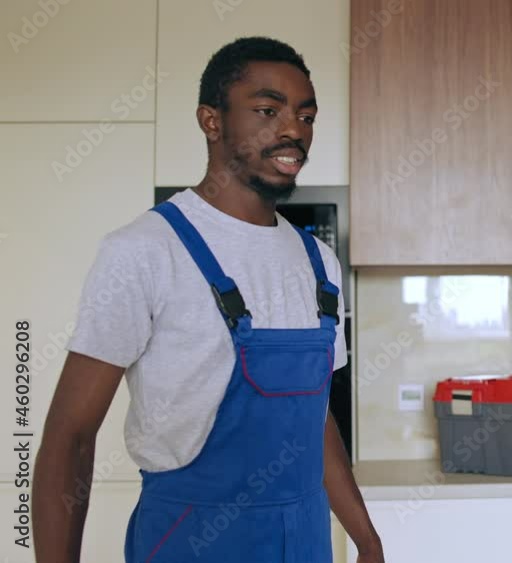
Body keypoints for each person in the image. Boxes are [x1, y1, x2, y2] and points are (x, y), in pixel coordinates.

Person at [32, 37, 385, 563]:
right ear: (211, 121)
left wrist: (367, 540)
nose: (294, 129)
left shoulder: (320, 264)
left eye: (306, 116)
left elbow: (315, 420)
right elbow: (71, 438)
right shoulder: (146, 251)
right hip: (190, 539)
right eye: (268, 110)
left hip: (307, 540)